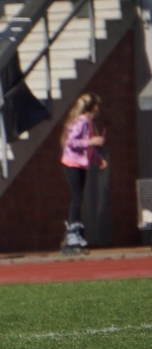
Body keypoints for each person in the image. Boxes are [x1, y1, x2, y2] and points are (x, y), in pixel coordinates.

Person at [59, 92, 106, 255]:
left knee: (79, 197)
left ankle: (76, 228)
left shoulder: (88, 122)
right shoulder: (82, 121)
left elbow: (89, 148)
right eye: (97, 105)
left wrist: (99, 158)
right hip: (72, 163)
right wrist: (90, 141)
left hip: (81, 164)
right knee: (77, 197)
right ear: (93, 107)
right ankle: (72, 229)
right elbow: (71, 142)